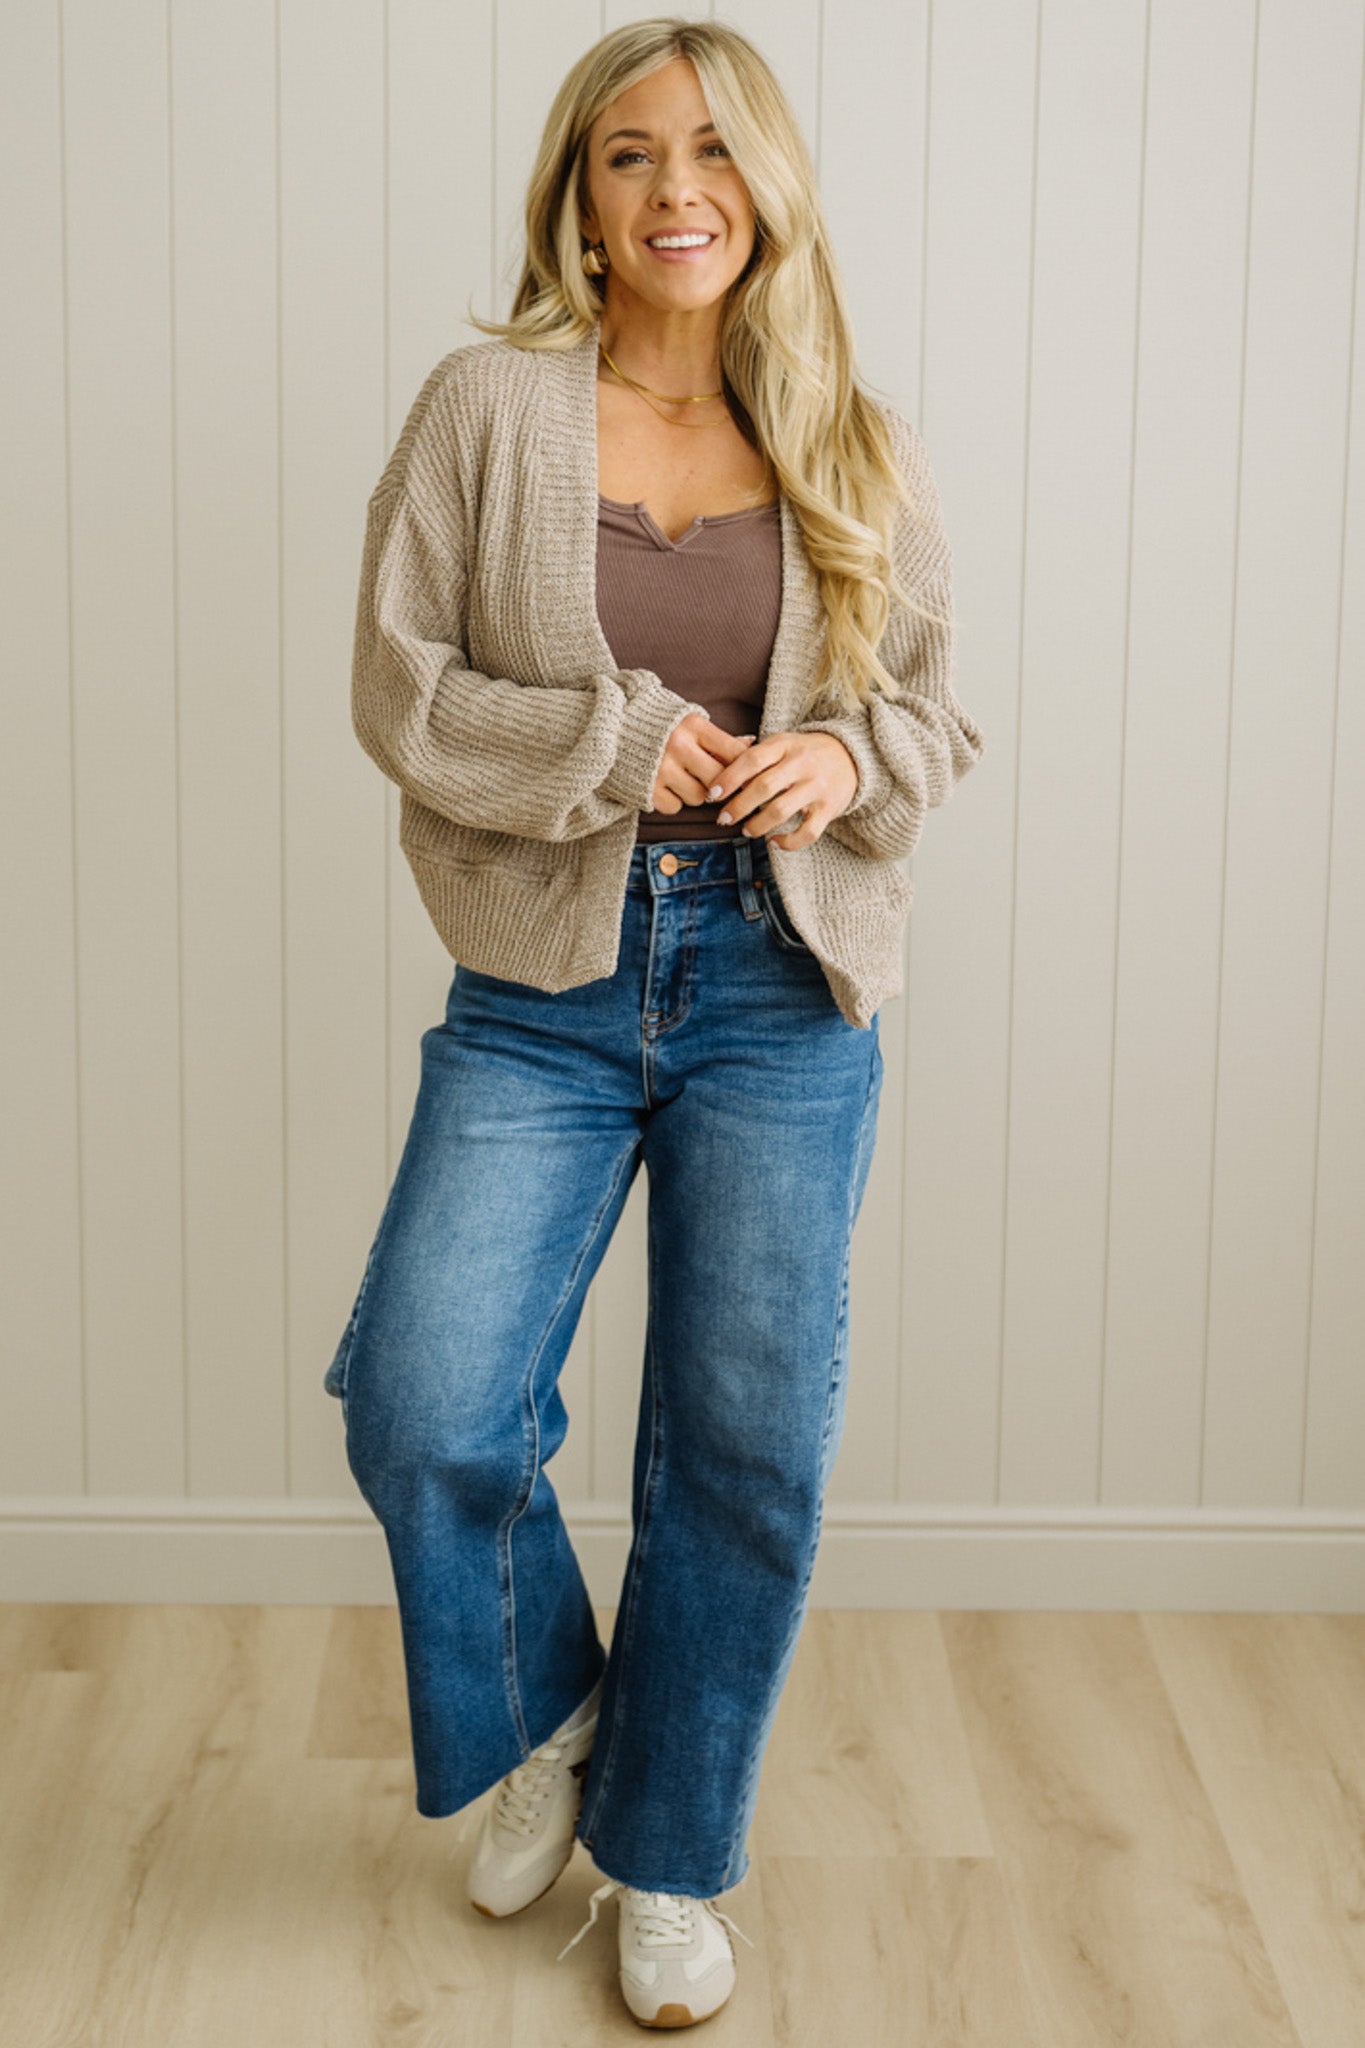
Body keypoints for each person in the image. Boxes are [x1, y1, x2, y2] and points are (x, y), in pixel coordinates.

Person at [324, 15, 985, 2030]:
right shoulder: (485, 411)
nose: (673, 188)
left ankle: (668, 1854)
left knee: (744, 1449)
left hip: (780, 992)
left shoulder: (851, 440)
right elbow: (400, 691)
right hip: (542, 985)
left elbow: (930, 716)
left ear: (766, 189)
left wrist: (840, 761)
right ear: (578, 196)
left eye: (710, 151)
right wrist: (616, 745)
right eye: (628, 154)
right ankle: (560, 1720)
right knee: (424, 1402)